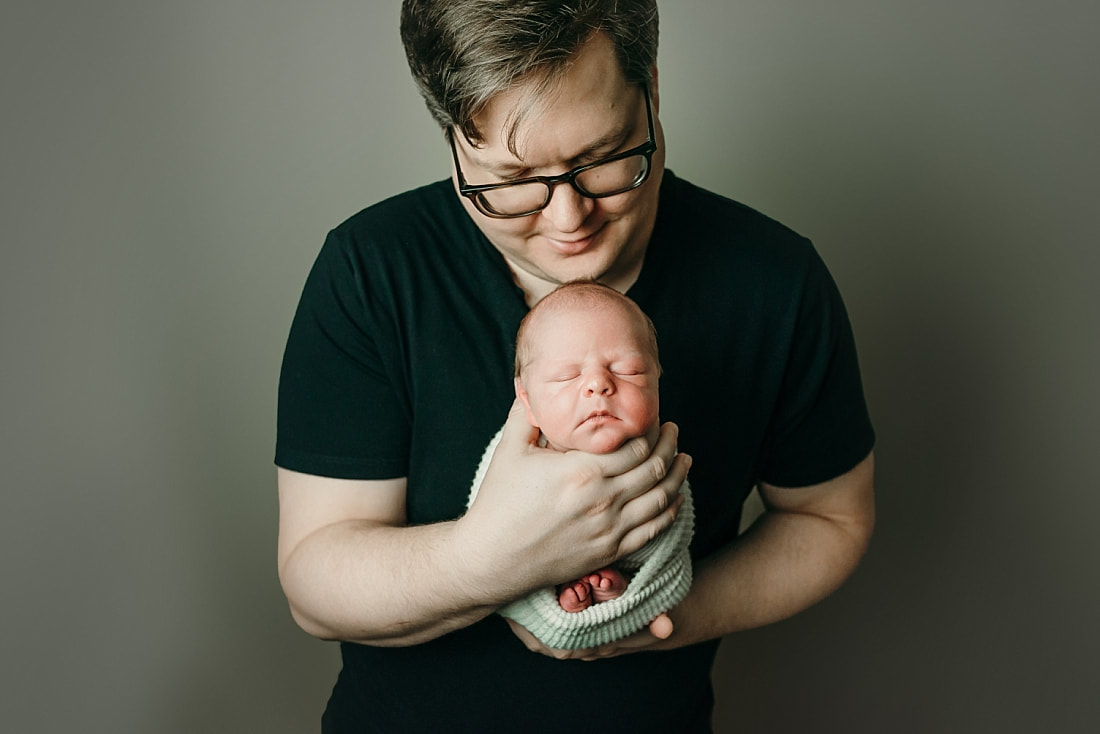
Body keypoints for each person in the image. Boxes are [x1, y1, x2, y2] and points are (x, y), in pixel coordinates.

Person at [275, 1, 876, 731]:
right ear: (454, 140)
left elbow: (828, 518)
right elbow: (315, 584)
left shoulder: (774, 283)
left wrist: (655, 613)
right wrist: (485, 559)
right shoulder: (372, 272)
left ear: (650, 90)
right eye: (511, 181)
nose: (568, 220)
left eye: (602, 158)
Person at [466, 281, 694, 649]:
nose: (598, 385)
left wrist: (634, 560)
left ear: (656, 380)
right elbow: (489, 536)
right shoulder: (517, 461)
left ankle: (619, 592)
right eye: (566, 376)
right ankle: (571, 592)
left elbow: (670, 535)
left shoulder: (658, 459)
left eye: (629, 370)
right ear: (526, 397)